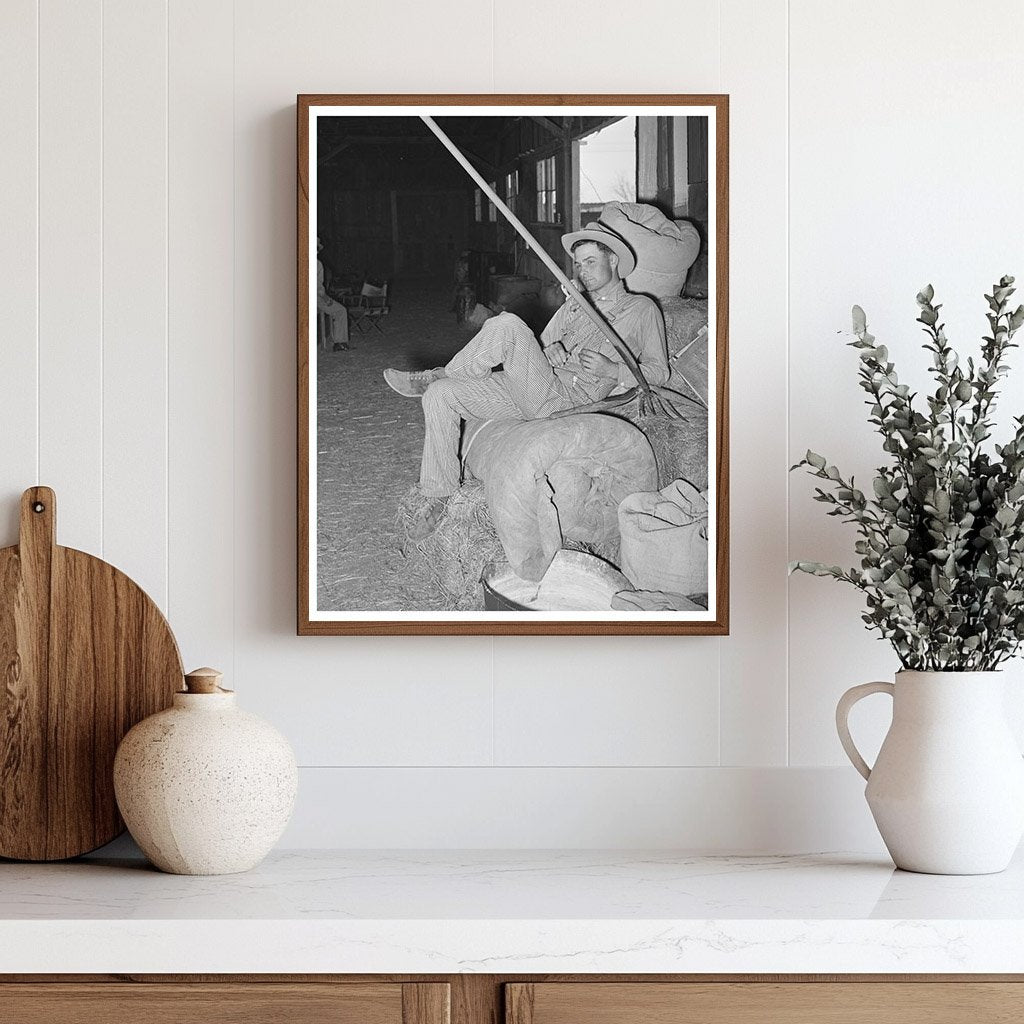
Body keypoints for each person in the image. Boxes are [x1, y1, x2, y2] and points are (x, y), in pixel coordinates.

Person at [384, 221, 668, 538]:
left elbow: (659, 372)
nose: (582, 271)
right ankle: (440, 494)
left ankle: (439, 373)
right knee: (439, 395)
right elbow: (540, 347)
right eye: (578, 264)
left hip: (567, 401)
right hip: (537, 386)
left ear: (613, 260)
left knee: (507, 325)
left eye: (590, 262)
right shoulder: (575, 306)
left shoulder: (641, 310)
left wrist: (613, 371)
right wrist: (552, 350)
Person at [317, 236, 350, 351]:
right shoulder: (317, 264)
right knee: (340, 310)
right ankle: (340, 342)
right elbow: (317, 287)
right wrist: (326, 298)